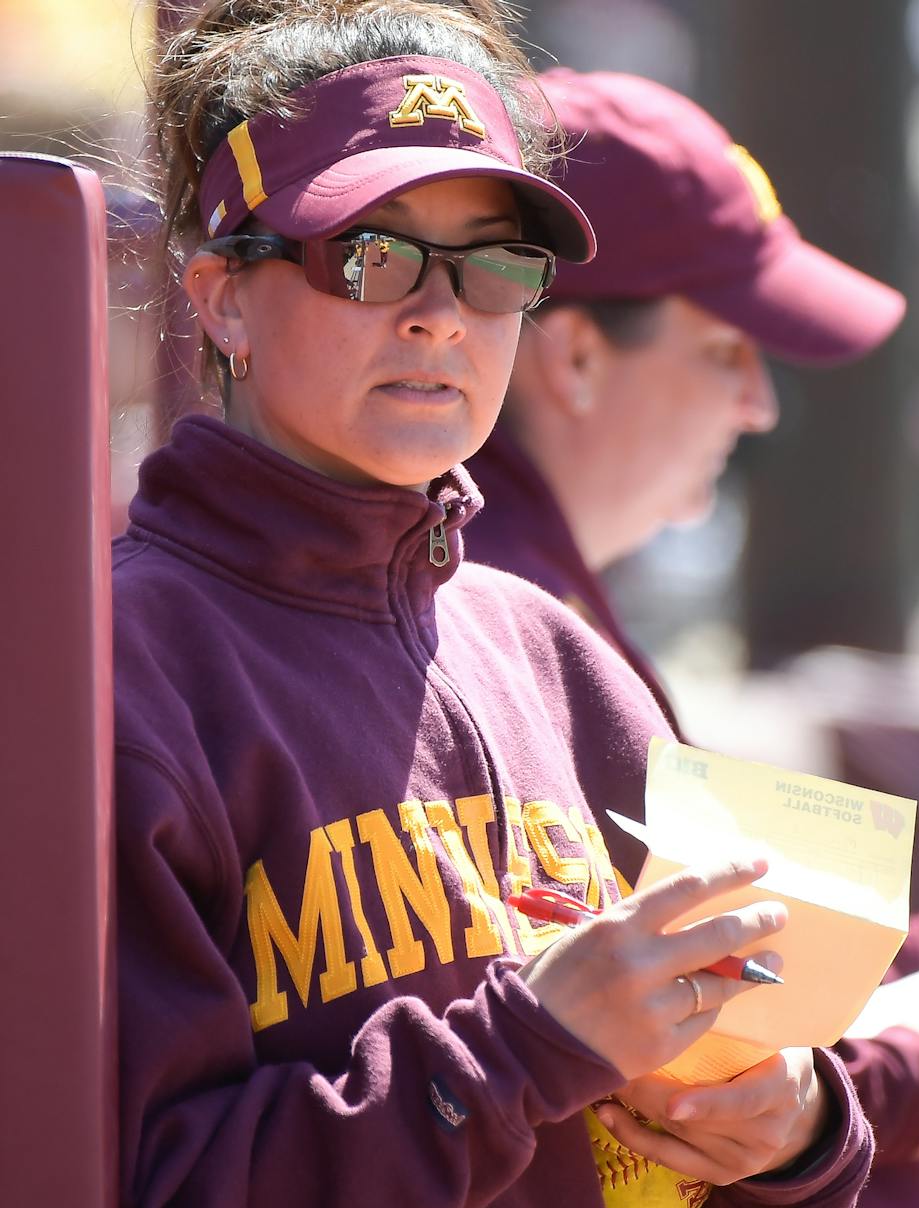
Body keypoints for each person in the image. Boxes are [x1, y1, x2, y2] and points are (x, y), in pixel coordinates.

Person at [116, 4, 875, 1205]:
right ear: (220, 298)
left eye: (496, 264)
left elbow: (738, 1075)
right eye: (372, 253)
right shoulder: (117, 678)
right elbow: (147, 1174)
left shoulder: (554, 652)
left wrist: (795, 1125)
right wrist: (520, 1046)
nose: (440, 313)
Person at [465, 68, 919, 1204]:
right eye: (723, 350)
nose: (759, 403)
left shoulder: (534, 583)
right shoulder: (492, 602)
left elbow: (759, 989)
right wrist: (907, 1087)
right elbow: (667, 1075)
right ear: (571, 356)